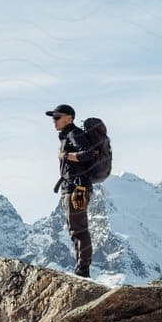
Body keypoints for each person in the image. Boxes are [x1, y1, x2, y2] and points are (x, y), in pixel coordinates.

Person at [47, 104, 100, 277]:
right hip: (72, 187)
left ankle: (83, 269)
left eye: (57, 117)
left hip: (77, 188)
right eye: (53, 117)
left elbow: (89, 153)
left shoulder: (73, 133)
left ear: (69, 118)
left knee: (79, 229)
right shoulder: (67, 136)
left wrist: (65, 155)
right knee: (75, 228)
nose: (54, 121)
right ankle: (82, 267)